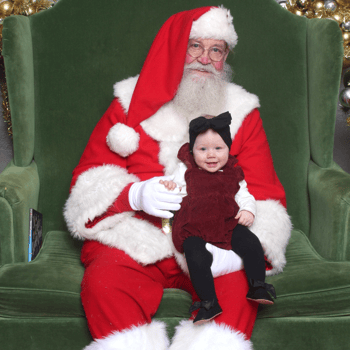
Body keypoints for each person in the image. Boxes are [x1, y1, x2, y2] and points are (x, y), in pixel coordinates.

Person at [64, 6, 292, 350]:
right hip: (139, 234)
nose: (204, 59)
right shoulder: (128, 103)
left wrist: (239, 252)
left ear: (225, 57)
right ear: (175, 49)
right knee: (105, 281)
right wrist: (135, 195)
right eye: (194, 46)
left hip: (215, 236)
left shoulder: (243, 112)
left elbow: (264, 196)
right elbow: (90, 177)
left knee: (239, 285)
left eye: (216, 50)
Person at [160, 112, 276, 325]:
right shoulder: (186, 169)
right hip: (193, 226)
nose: (211, 155)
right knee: (195, 256)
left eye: (218, 148)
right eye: (202, 149)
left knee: (250, 243)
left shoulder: (233, 172)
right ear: (192, 150)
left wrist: (249, 210)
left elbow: (244, 195)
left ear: (228, 149)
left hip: (226, 224)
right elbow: (176, 187)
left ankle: (258, 284)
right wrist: (169, 186)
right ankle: (208, 302)